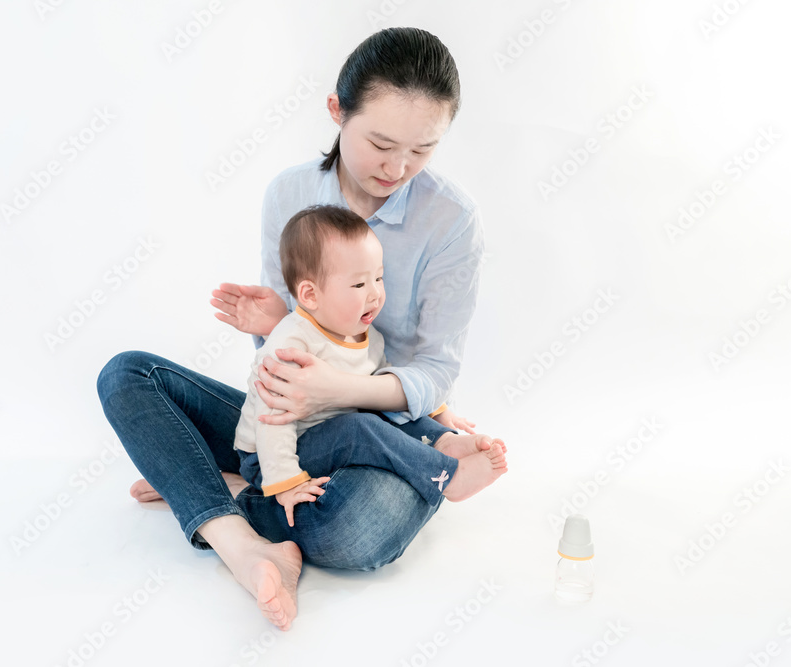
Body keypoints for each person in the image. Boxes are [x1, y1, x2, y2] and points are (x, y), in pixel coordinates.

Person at [97, 27, 501, 633]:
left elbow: (434, 368)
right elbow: (281, 362)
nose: (398, 168)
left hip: (386, 424)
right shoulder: (290, 194)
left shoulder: (450, 220)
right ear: (337, 111)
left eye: (423, 150)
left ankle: (206, 489)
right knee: (126, 375)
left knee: (356, 532)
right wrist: (272, 324)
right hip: (291, 423)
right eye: (381, 143)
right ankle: (247, 544)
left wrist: (347, 396)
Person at [234, 204, 507, 527]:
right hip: (270, 458)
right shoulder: (288, 348)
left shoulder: (365, 334)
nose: (375, 294)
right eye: (359, 285)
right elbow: (271, 423)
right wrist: (287, 482)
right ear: (310, 294)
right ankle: (446, 478)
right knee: (360, 429)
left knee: (383, 403)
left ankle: (443, 441)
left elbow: (382, 380)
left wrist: (436, 411)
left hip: (329, 431)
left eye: (378, 278)